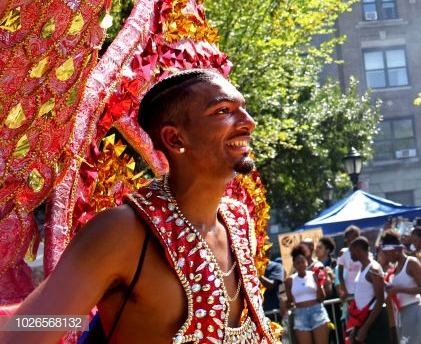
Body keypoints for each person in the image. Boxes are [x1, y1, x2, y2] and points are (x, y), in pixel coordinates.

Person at [2, 68, 275, 343]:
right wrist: (79, 316)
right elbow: (28, 331)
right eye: (223, 110)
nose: (248, 122)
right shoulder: (121, 232)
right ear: (175, 139)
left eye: (244, 109)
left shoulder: (238, 223)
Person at [380, 231, 421, 344]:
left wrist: (398, 290)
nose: (386, 257)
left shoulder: (411, 262)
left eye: (387, 254)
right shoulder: (396, 267)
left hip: (414, 309)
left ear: (396, 251)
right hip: (402, 313)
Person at [347, 236, 390, 344]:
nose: (350, 255)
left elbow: (380, 300)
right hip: (364, 318)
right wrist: (357, 326)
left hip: (375, 319)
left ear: (358, 249)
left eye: (351, 251)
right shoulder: (362, 269)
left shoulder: (373, 269)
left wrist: (365, 328)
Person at [287, 248, 331, 344]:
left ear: (306, 262)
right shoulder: (290, 280)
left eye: (303, 262)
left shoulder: (314, 275)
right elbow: (290, 300)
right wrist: (284, 303)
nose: (301, 265)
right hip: (300, 313)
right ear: (294, 264)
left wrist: (319, 284)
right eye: (298, 263)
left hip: (317, 311)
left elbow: (322, 297)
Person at [261, 257, 286, 323]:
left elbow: (271, 285)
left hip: (274, 313)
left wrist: (257, 274)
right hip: (260, 313)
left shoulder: (276, 267)